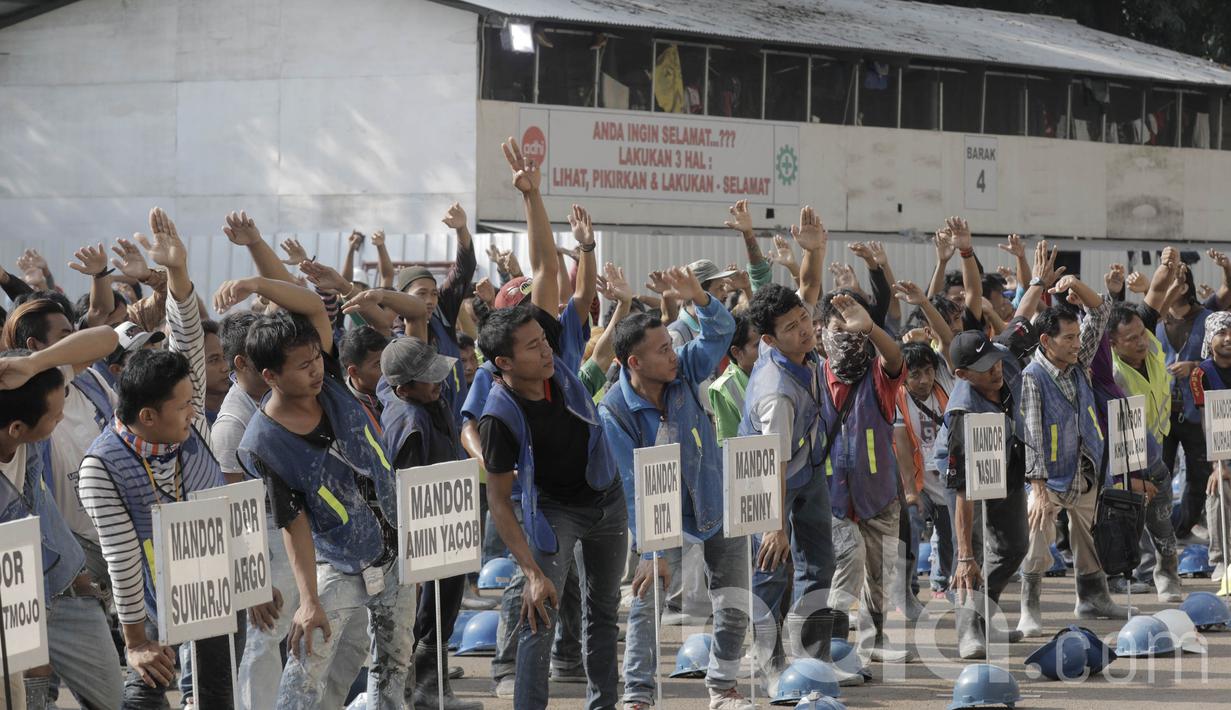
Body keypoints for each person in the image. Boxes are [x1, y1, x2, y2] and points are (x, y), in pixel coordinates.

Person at [475, 129, 624, 710]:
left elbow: (543, 267)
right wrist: (529, 566)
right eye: (532, 347)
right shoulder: (498, 416)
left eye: (545, 338)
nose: (546, 349)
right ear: (503, 364)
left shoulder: (557, 351)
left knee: (604, 613)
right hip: (552, 512)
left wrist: (531, 197)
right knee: (539, 607)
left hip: (606, 497)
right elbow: (500, 501)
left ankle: (604, 703)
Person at [77, 207, 234, 708]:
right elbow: (122, 558)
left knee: (215, 697)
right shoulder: (102, 466)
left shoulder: (190, 420)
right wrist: (138, 641)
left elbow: (187, 337)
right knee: (144, 696)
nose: (196, 412)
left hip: (213, 588)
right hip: (150, 605)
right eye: (184, 406)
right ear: (147, 414)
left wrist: (178, 274)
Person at [237, 301, 416, 708]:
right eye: (302, 366)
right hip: (337, 563)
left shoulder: (331, 379)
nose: (315, 369)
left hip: (395, 551)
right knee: (304, 670)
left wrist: (257, 283)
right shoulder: (264, 444)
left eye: (316, 357)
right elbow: (292, 523)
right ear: (270, 376)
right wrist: (309, 600)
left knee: (394, 664)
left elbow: (315, 308)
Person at [599, 267, 751, 710]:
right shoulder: (616, 413)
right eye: (663, 349)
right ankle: (639, 695)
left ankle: (722, 686)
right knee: (647, 601)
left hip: (712, 497)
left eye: (672, 344)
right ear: (635, 363)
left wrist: (700, 299)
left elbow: (720, 334)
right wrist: (650, 553)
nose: (673, 354)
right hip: (658, 515)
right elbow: (632, 488)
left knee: (735, 598)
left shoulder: (683, 369)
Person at [0, 329, 124, 710]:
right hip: (11, 609)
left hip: (64, 586)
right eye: (55, 419)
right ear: (18, 430)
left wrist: (34, 363)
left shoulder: (32, 391)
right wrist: (30, 643)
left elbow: (105, 338)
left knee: (112, 697)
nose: (61, 420)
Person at [738, 205, 829, 674]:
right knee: (770, 567)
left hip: (806, 467)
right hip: (766, 476)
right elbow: (769, 463)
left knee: (821, 564)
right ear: (769, 341)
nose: (805, 329)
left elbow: (809, 289)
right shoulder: (777, 394)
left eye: (804, 321)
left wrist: (814, 250)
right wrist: (773, 524)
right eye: (792, 328)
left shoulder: (799, 334)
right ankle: (768, 658)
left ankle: (813, 657)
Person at [1019, 279, 1133, 633]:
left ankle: (1092, 597)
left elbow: (1101, 312)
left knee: (1092, 536)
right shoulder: (1032, 377)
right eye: (1068, 338)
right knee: (1039, 538)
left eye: (1076, 337)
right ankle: (1030, 606)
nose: (1076, 344)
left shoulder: (1078, 360)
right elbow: (1032, 435)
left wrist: (1077, 286)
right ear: (1045, 341)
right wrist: (1038, 491)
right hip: (1049, 477)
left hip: (1085, 467)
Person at [379, 336, 484, 710]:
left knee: (446, 606)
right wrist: (415, 558)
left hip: (448, 525)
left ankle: (435, 688)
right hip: (427, 535)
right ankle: (425, 691)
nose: (437, 382)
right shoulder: (408, 420)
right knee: (429, 613)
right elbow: (405, 488)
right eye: (427, 378)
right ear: (403, 387)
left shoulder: (429, 404)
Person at [1107, 301, 1186, 603]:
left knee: (1161, 520)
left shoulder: (1151, 346)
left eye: (1142, 333)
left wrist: (1168, 267)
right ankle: (1116, 579)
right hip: (1120, 456)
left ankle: (1168, 577)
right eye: (1131, 338)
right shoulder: (1111, 372)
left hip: (1154, 450)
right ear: (1112, 343)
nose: (1141, 341)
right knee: (1119, 519)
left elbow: (1155, 296)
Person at [393, 202, 476, 424]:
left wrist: (461, 229)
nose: (429, 301)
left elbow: (463, 270)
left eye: (433, 293)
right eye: (421, 294)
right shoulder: (395, 338)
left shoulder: (441, 313)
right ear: (402, 296)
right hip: (427, 428)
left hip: (461, 424)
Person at [891, 342, 954, 607]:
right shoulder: (897, 398)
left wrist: (925, 304)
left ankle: (952, 584)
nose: (924, 380)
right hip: (918, 483)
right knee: (911, 526)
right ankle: (907, 591)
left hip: (948, 481)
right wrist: (910, 491)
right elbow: (902, 443)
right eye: (915, 374)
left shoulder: (944, 387)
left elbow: (947, 339)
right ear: (904, 375)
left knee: (952, 540)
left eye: (928, 371)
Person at [1189, 311, 1231, 583]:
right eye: (1222, 333)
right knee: (1217, 489)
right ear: (1210, 337)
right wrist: (1221, 465)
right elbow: (1209, 423)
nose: (1228, 339)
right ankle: (1220, 559)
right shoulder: (1201, 374)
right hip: (1223, 448)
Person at [709, 312, 758, 443]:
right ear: (736, 352)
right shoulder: (723, 389)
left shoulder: (772, 371)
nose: (767, 348)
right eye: (757, 345)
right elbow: (730, 445)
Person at [341, 325, 391, 415]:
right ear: (354, 372)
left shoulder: (399, 387)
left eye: (388, 360)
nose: (389, 369)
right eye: (379, 364)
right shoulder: (345, 410)